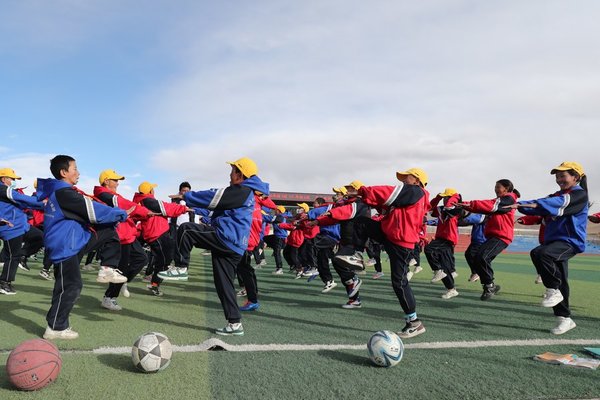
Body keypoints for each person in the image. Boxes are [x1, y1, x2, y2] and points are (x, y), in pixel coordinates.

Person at [37, 155, 128, 339]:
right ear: (64, 172)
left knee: (109, 231)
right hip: (65, 246)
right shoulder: (64, 193)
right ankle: (55, 327)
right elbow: (92, 210)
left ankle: (107, 268)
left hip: (74, 242)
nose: (78, 172)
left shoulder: (63, 192)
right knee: (70, 286)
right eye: (75, 168)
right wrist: (120, 213)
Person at [175, 157, 259, 336]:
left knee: (186, 229)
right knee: (224, 285)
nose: (230, 174)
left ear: (240, 174)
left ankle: (181, 267)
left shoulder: (242, 190)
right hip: (235, 246)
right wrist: (194, 208)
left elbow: (214, 197)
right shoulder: (245, 193)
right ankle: (234, 323)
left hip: (227, 239)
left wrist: (188, 196)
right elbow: (215, 209)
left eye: (232, 171)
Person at [509, 161, 588, 335]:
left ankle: (553, 289)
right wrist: (519, 205)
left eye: (563, 176)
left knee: (540, 253)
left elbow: (554, 203)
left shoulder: (578, 195)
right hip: (554, 242)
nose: (559, 179)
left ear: (575, 177)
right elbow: (540, 204)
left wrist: (528, 205)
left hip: (570, 242)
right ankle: (564, 319)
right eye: (557, 176)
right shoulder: (557, 195)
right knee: (558, 276)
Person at [354, 168, 430, 338]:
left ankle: (414, 323)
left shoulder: (416, 191)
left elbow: (386, 193)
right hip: (392, 236)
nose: (403, 181)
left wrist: (363, 191)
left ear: (417, 180)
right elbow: (384, 204)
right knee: (361, 223)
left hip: (400, 241)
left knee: (399, 282)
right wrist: (365, 198)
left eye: (406, 177)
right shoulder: (411, 195)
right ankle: (357, 255)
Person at [94, 169, 153, 309]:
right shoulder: (104, 195)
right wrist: (145, 212)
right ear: (106, 181)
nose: (118, 182)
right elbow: (125, 205)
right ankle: (109, 298)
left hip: (128, 235)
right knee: (121, 270)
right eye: (115, 180)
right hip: (120, 237)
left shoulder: (112, 195)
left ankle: (122, 282)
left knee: (142, 259)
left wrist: (141, 214)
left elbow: (127, 210)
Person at [456, 179, 518, 301]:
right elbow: (484, 208)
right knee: (476, 257)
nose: (495, 189)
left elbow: (489, 205)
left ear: (506, 189)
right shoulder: (498, 201)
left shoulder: (509, 199)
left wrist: (469, 204)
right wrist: (466, 205)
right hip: (493, 237)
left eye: (498, 187)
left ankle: (489, 286)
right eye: (495, 186)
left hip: (502, 237)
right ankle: (489, 285)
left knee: (482, 257)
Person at [134, 181, 190, 295]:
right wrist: (183, 208)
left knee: (164, 260)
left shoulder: (145, 200)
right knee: (163, 261)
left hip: (160, 234)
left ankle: (153, 283)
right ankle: (149, 279)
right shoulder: (147, 201)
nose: (154, 190)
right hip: (156, 235)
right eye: (152, 189)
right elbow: (166, 208)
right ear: (150, 191)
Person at [0, 168, 45, 295]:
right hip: (10, 228)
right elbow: (21, 198)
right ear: (4, 179)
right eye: (12, 179)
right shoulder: (3, 189)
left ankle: (23, 256)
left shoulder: (7, 191)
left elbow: (25, 203)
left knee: (40, 237)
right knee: (12, 256)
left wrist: (42, 204)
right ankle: (4, 283)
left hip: (21, 226)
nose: (14, 181)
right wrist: (43, 203)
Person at [424, 188, 462, 299]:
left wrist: (455, 196)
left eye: (447, 197)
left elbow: (450, 206)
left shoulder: (456, 209)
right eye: (444, 198)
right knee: (445, 268)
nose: (445, 200)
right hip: (441, 238)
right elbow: (429, 208)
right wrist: (438, 197)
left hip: (448, 239)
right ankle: (451, 289)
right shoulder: (441, 209)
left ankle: (438, 270)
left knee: (429, 249)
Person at [460, 212, 487, 282]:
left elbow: (468, 220)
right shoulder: (479, 216)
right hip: (477, 240)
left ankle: (476, 273)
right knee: (470, 255)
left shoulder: (483, 216)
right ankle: (479, 275)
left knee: (470, 254)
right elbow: (465, 222)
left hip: (481, 241)